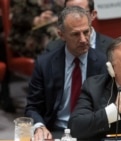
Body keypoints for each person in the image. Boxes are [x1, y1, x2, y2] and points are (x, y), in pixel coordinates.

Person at [25, 6, 107, 141]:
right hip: (55, 132)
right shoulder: (45, 64)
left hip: (91, 133)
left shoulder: (104, 62)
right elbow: (33, 106)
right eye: (75, 34)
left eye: (86, 32)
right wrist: (39, 126)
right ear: (61, 35)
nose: (83, 39)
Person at [45, 0, 113, 54]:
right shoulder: (52, 48)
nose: (76, 17)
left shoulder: (112, 47)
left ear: (93, 14)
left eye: (81, 12)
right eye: (70, 13)